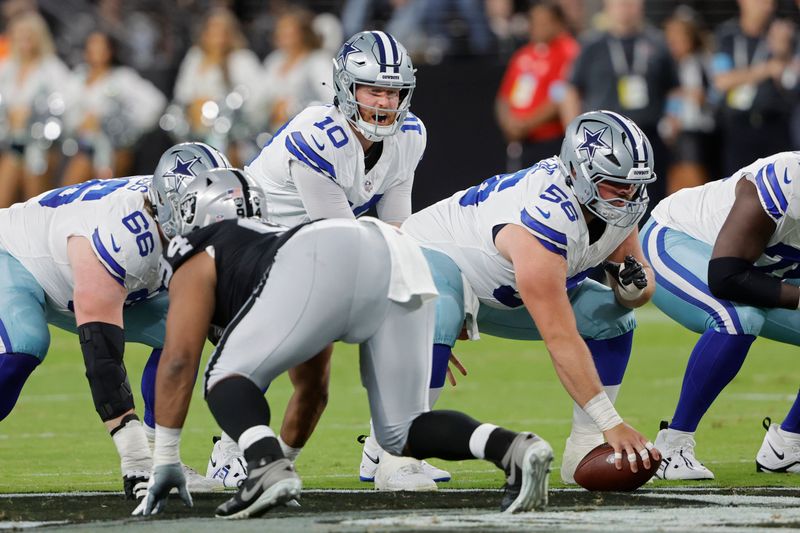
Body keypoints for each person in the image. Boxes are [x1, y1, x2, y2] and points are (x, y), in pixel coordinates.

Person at [133, 168, 555, 518]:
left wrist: (166, 458)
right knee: (400, 433)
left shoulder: (202, 248)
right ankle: (513, 448)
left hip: (327, 253)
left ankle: (264, 467)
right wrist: (287, 464)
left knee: (223, 374)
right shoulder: (271, 251)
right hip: (396, 252)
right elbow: (313, 390)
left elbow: (178, 361)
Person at [399, 110, 661, 484]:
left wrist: (635, 287)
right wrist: (612, 423)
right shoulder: (544, 218)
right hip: (428, 255)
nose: (628, 196)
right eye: (615, 184)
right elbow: (560, 338)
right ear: (579, 174)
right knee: (442, 313)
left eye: (634, 185)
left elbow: (637, 288)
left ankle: (585, 446)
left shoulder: (617, 204)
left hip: (500, 290)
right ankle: (390, 453)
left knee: (613, 319)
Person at [244, 30, 449, 490]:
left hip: (313, 247)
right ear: (345, 87)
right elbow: (343, 241)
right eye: (374, 89)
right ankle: (235, 450)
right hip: (257, 248)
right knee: (328, 351)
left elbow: (398, 227)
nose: (385, 102)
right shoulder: (318, 134)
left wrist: (432, 317)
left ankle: (389, 445)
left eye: (395, 92)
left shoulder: (408, 135)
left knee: (413, 302)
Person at [0, 141, 230, 497]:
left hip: (75, 277)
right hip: (17, 254)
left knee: (187, 324)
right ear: (172, 208)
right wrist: (133, 460)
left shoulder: (170, 211)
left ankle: (161, 457)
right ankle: (144, 458)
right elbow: (101, 355)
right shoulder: (123, 237)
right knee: (26, 343)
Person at [641, 151, 800, 480]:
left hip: (757, 267)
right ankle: (674, 445)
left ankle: (788, 445)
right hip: (679, 239)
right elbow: (726, 276)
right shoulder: (782, 182)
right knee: (739, 317)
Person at [562, 0, 679, 211]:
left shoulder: (657, 42)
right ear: (607, 6)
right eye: (619, 2)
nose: (625, 6)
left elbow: (674, 88)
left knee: (650, 203)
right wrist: (573, 134)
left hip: (647, 138)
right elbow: (572, 89)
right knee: (604, 206)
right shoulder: (591, 44)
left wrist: (673, 120)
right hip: (602, 141)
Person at [61, 31, 166, 184]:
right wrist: (79, 123)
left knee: (106, 192)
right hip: (82, 147)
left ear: (110, 51)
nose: (96, 53)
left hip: (114, 149)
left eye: (101, 48)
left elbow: (155, 103)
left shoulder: (123, 77)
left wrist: (126, 128)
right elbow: (62, 108)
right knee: (68, 192)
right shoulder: (77, 77)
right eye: (92, 47)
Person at [711, 0, 795, 176]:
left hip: (775, 125)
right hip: (738, 127)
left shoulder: (781, 33)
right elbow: (721, 81)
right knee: (737, 189)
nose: (767, 7)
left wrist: (782, 53)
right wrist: (766, 69)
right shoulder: (727, 35)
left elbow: (789, 83)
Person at [172, 7, 262, 167]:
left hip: (232, 134)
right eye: (213, 31)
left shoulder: (242, 59)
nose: (217, 37)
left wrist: (218, 107)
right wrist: (195, 106)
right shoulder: (195, 57)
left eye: (222, 31)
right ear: (204, 33)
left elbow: (256, 98)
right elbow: (182, 93)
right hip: (195, 130)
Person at [495, 1, 579, 169]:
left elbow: (561, 96)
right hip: (520, 141)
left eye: (543, 22)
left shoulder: (568, 51)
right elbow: (503, 97)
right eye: (534, 21)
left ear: (558, 23)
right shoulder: (524, 54)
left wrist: (526, 124)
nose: (536, 27)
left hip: (550, 141)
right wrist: (509, 124)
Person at [0, 11, 69, 207]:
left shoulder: (52, 68)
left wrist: (34, 115)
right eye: (19, 34)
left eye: (29, 34)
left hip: (41, 147)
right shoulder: (6, 68)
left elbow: (66, 105)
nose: (24, 40)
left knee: (36, 204)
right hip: (12, 144)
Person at [254, 7, 334, 134]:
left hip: (310, 133)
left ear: (304, 33)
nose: (281, 34)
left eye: (288, 29)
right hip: (273, 132)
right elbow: (259, 97)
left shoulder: (318, 60)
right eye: (280, 29)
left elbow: (332, 99)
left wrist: (292, 108)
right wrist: (270, 108)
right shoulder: (274, 61)